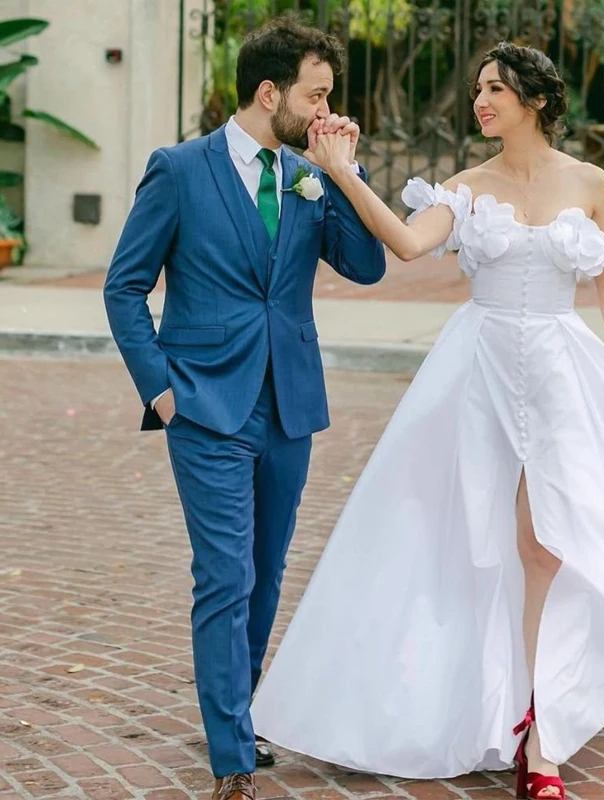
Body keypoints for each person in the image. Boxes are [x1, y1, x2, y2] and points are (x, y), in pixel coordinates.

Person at [250, 42, 604, 799]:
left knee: (549, 544)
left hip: (561, 375)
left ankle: (541, 736)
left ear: (535, 100)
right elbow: (407, 244)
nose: (480, 101)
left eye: (496, 89)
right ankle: (492, 706)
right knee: (465, 540)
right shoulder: (466, 186)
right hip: (477, 372)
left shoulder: (589, 182)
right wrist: (342, 173)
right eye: (478, 88)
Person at [103, 17, 386, 800]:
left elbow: (365, 266)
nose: (328, 111)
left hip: (289, 405)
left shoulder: (308, 175)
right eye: (316, 96)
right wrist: (162, 390)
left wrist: (343, 173)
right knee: (224, 574)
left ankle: (241, 710)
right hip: (205, 405)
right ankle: (232, 756)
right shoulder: (179, 171)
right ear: (270, 93)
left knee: (264, 573)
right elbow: (124, 286)